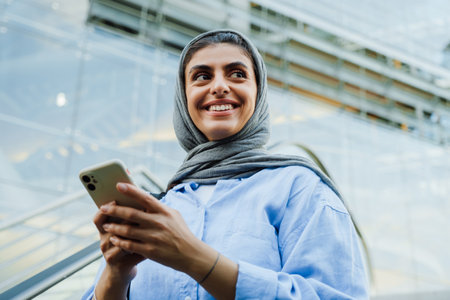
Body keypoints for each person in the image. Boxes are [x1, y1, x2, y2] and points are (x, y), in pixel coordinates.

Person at [82, 29, 369, 300]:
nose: (219, 86)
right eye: (202, 77)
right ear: (184, 98)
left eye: (237, 74)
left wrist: (195, 258)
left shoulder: (300, 188)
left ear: (258, 93)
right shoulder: (160, 208)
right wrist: (115, 275)